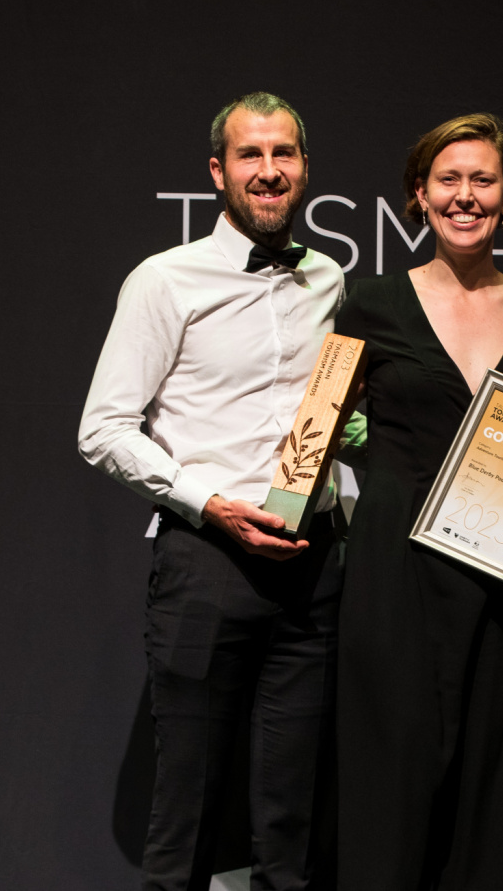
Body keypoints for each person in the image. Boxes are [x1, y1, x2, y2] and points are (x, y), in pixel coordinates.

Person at [79, 92, 351, 891]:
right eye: (250, 156)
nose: (269, 172)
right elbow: (103, 428)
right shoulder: (166, 281)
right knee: (187, 822)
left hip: (311, 571)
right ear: (217, 172)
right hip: (206, 565)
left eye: (284, 155)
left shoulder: (328, 279)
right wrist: (208, 502)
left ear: (305, 168)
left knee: (290, 825)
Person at [333, 112, 503, 890]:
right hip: (392, 568)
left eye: (483, 180)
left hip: (500, 579)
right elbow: (315, 430)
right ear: (420, 194)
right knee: (391, 770)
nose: (465, 195)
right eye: (448, 179)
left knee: (491, 778)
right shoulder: (368, 304)